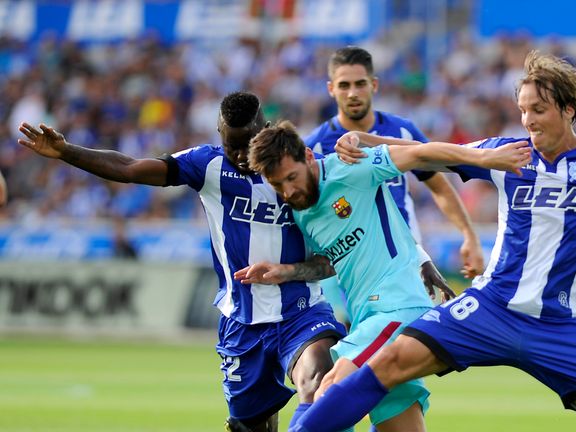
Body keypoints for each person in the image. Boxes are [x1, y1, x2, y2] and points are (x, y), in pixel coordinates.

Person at [286, 50, 576, 432]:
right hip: (491, 307)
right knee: (388, 362)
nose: (528, 120)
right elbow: (426, 155)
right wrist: (362, 138)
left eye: (539, 110)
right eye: (523, 109)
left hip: (561, 325)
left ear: (569, 110)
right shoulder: (509, 154)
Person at [16, 92, 347, 432]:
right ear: (220, 134)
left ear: (263, 133)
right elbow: (129, 168)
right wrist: (66, 151)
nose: (238, 155)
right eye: (230, 145)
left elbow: (334, 258)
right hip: (242, 323)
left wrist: (288, 272)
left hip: (301, 311)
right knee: (251, 427)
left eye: (246, 145)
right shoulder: (207, 165)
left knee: (318, 381)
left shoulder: (300, 170)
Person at [244, 121, 530, 432]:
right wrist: (284, 272)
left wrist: (484, 159)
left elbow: (420, 154)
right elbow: (329, 262)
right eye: (277, 185)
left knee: (327, 393)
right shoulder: (301, 211)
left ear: (309, 157)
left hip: (397, 307)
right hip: (367, 319)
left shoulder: (349, 167)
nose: (288, 192)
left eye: (291, 178)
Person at [304, 46, 485, 323]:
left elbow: (438, 186)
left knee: (406, 345)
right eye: (344, 85)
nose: (353, 93)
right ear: (331, 89)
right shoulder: (315, 146)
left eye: (360, 84)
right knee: (361, 347)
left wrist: (468, 235)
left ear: (374, 85)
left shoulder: (401, 131)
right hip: (352, 264)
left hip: (405, 257)